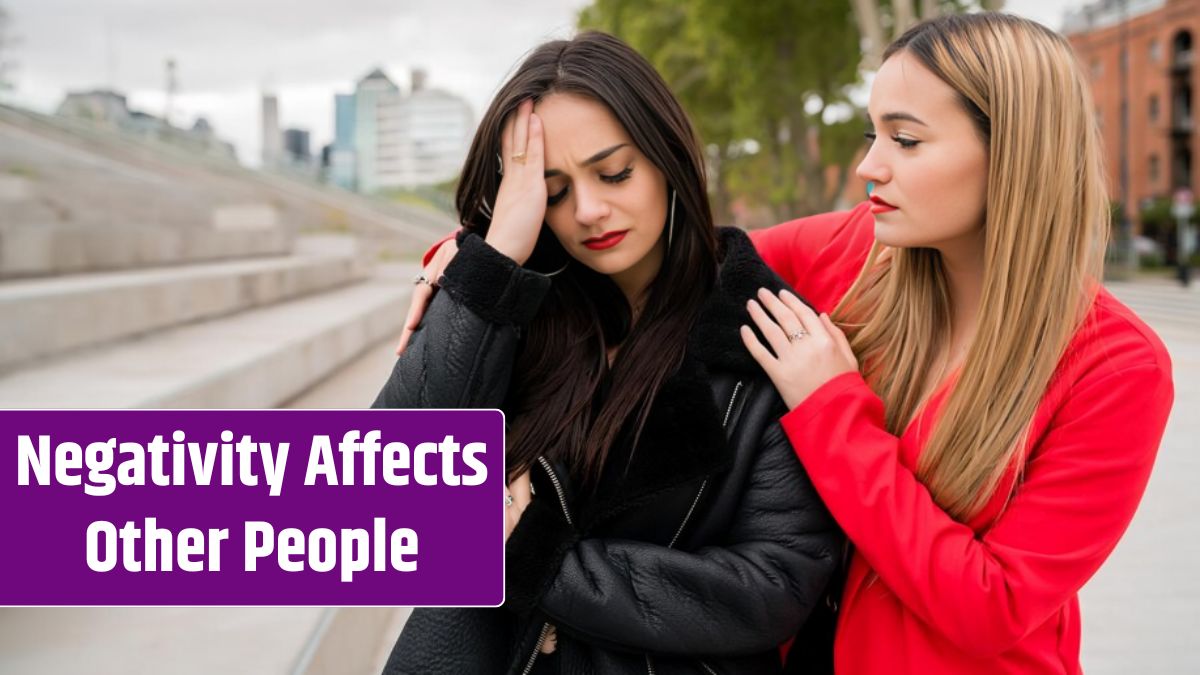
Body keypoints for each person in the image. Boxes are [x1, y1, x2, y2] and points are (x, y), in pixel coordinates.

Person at [403, 13, 1176, 675]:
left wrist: (834, 412)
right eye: (875, 133)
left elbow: (993, 604)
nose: (870, 165)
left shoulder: (1117, 366)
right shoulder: (855, 252)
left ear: (1014, 153)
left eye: (906, 141)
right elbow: (658, 250)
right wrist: (481, 260)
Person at [373, 31, 841, 675]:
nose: (590, 211)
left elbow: (775, 584)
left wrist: (537, 555)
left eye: (614, 172)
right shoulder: (512, 316)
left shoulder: (763, 337)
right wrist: (493, 257)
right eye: (555, 191)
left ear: (666, 155)